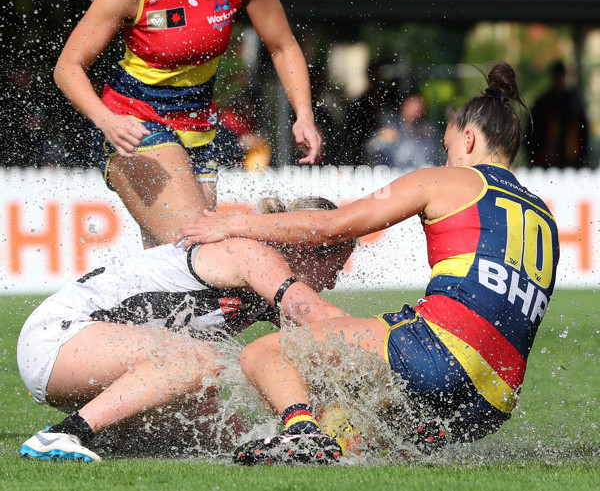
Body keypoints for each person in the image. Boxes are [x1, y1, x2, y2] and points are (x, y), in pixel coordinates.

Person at [175, 62, 560, 465]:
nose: (445, 162)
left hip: (438, 357)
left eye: (447, 151)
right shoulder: (545, 219)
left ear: (467, 139)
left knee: (263, 354)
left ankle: (302, 434)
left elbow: (333, 226)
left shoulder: (448, 181)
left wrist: (235, 223)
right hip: (492, 403)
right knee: (357, 407)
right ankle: (360, 440)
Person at [53, 0, 322, 249]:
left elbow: (283, 46)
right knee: (196, 246)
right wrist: (107, 121)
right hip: (136, 124)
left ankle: (125, 308)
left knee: (170, 260)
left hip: (198, 126)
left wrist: (304, 114)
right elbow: (67, 67)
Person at [18, 197, 354, 462]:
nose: (334, 281)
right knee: (203, 364)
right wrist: (393, 346)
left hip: (99, 360)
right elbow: (324, 319)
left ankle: (113, 435)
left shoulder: (268, 285)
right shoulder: (253, 254)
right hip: (58, 339)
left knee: (238, 439)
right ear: (304, 247)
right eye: (334, 266)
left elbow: (306, 362)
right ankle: (64, 433)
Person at [526, 60, 590, 169]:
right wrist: (534, 156)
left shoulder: (574, 103)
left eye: (562, 76)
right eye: (558, 76)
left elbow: (583, 132)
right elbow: (531, 131)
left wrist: (581, 158)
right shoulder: (543, 103)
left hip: (571, 161)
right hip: (545, 161)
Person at [363, 92, 442, 169]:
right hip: (392, 172)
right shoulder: (391, 126)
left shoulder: (425, 130)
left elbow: (431, 156)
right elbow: (371, 148)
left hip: (416, 172)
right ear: (404, 105)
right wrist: (383, 139)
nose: (416, 111)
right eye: (413, 107)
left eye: (419, 108)